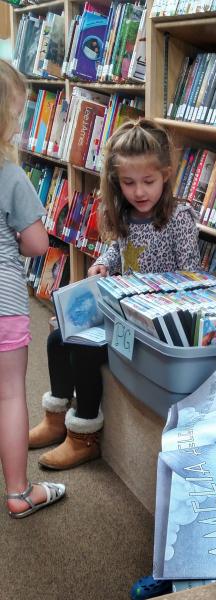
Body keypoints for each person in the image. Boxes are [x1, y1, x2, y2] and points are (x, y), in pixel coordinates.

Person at [29, 118, 200, 470]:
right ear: (116, 182)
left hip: (152, 327)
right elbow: (116, 250)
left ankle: (84, 434)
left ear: (166, 175)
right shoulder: (122, 212)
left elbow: (192, 277)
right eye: (128, 183)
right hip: (120, 310)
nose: (139, 192)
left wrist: (152, 290)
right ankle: (56, 418)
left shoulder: (179, 217)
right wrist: (104, 265)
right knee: (57, 338)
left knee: (83, 347)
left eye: (148, 181)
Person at [0, 59, 65, 517]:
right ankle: (20, 492)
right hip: (3, 306)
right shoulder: (11, 176)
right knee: (9, 396)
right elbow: (37, 243)